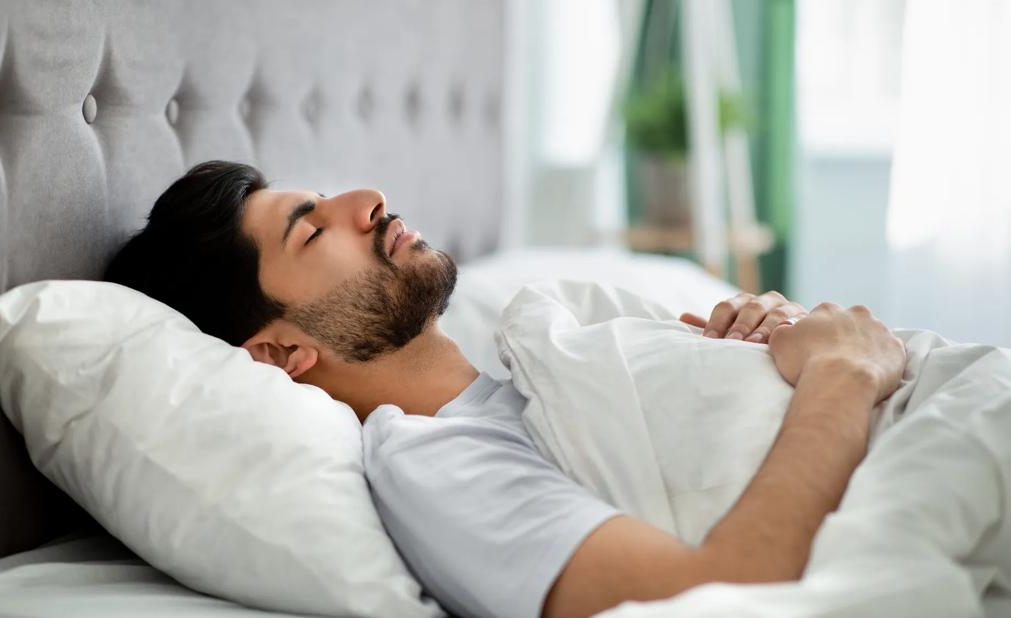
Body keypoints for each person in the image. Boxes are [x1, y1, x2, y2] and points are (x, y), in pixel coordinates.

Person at [105, 161, 906, 618]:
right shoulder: (437, 465)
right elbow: (716, 599)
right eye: (312, 230)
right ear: (280, 353)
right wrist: (840, 376)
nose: (367, 200)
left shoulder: (535, 368)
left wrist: (766, 339)